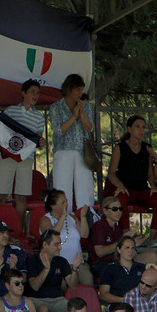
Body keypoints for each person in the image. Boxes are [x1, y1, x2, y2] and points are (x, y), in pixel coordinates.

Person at [0, 79, 46, 220]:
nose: (35, 95)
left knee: (21, 197)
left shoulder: (39, 117)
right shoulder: (10, 111)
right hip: (7, 156)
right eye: (32, 92)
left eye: (38, 93)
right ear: (23, 93)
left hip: (26, 158)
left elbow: (37, 140)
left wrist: (41, 142)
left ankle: (19, 229)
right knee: (1, 195)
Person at [106, 115, 157, 245]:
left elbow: (150, 173)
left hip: (142, 189)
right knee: (120, 201)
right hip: (126, 189)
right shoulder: (120, 147)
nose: (141, 130)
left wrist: (153, 187)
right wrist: (120, 186)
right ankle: (126, 236)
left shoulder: (147, 148)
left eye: (143, 127)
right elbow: (111, 173)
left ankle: (152, 237)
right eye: (137, 127)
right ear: (129, 129)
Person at [48, 74, 95, 213]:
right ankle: (62, 220)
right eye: (78, 89)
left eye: (82, 90)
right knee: (62, 189)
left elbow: (90, 128)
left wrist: (82, 114)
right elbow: (59, 130)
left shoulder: (86, 107)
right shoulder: (56, 107)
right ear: (69, 89)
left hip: (82, 152)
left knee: (85, 189)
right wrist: (74, 116)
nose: (80, 93)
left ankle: (85, 219)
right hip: (63, 151)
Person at [87, 196, 153, 277]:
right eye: (114, 209)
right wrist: (121, 241)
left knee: (152, 256)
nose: (118, 212)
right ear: (105, 211)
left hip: (118, 262)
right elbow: (100, 252)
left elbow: (121, 250)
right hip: (101, 264)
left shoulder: (118, 228)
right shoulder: (99, 226)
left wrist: (132, 244)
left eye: (120, 209)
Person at [37, 189, 92, 286]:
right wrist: (62, 216)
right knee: (60, 285)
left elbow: (84, 234)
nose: (66, 204)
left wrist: (83, 217)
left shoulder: (72, 218)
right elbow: (52, 235)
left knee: (88, 279)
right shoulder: (45, 219)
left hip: (76, 262)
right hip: (57, 264)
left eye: (66, 201)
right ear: (52, 205)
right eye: (63, 202)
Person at [26, 229, 81, 312]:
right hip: (36, 299)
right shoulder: (32, 260)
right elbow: (35, 286)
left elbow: (73, 285)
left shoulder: (61, 261)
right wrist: (46, 269)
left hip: (57, 300)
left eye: (60, 244)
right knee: (43, 310)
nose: (60, 247)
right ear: (45, 244)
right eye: (56, 244)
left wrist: (75, 269)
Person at [98, 236, 147, 305]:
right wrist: (124, 300)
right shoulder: (109, 269)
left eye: (132, 248)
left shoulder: (141, 268)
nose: (130, 251)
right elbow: (103, 294)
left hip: (139, 305)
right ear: (118, 249)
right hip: (118, 306)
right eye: (127, 248)